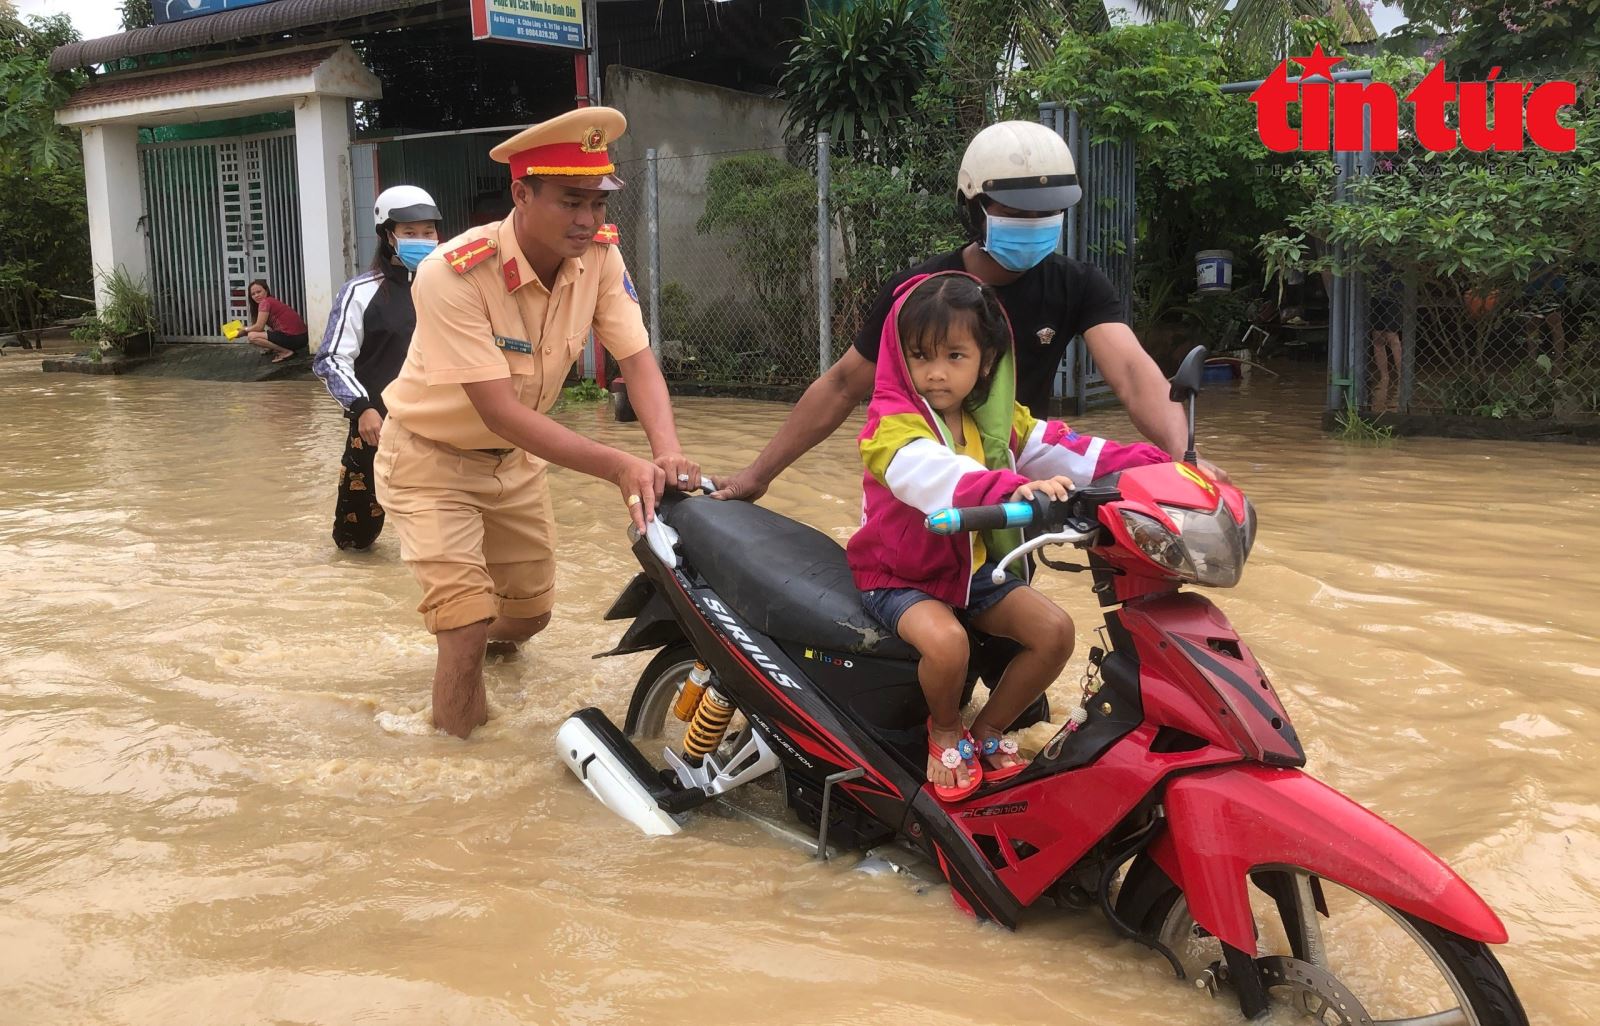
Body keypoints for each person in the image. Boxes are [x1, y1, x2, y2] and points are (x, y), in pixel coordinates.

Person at [373, 107, 700, 739]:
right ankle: (458, 769)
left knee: (524, 621)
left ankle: (461, 648)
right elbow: (499, 409)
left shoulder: (602, 260)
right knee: (467, 621)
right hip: (429, 460)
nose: (589, 220)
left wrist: (667, 454)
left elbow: (636, 361)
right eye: (571, 201)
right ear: (522, 194)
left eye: (599, 204)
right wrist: (618, 467)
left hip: (515, 466)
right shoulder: (452, 272)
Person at [712, 120, 1219, 503]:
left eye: (1047, 212)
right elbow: (843, 385)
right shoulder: (924, 293)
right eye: (1016, 212)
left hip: (1021, 481)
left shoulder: (1077, 285)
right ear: (973, 208)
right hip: (929, 483)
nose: (1035, 223)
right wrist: (757, 477)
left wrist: (1183, 457)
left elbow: (1132, 373)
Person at [848, 271, 1167, 800]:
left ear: (987, 360)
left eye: (954, 356)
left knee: (1055, 632)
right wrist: (1014, 488)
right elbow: (929, 474)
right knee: (948, 645)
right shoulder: (891, 425)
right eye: (920, 356)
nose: (935, 373)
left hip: (969, 573)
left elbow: (1073, 450)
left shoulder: (998, 421)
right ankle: (946, 728)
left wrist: (1162, 467)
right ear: (897, 357)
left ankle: (987, 729)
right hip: (897, 576)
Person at [313, 185, 443, 551]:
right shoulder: (361, 291)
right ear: (388, 235)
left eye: (428, 231)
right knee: (357, 539)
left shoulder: (451, 287)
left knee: (441, 527)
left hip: (440, 427)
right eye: (410, 232)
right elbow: (330, 359)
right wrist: (362, 408)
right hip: (376, 427)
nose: (422, 239)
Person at [242, 280, 309, 363]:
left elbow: (259, 327)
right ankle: (271, 348)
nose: (256, 295)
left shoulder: (265, 302)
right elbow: (258, 327)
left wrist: (244, 330)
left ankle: (286, 352)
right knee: (266, 331)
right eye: (253, 294)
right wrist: (245, 330)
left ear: (266, 291)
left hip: (295, 338)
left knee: (252, 336)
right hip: (302, 338)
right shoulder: (270, 301)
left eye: (259, 292)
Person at [1368, 260, 1403, 414]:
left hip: (1393, 293)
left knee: (1392, 335)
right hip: (1374, 294)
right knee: (1377, 336)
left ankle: (1402, 376)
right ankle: (1384, 377)